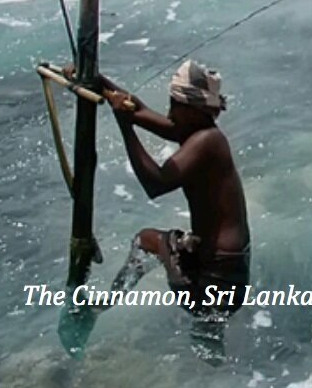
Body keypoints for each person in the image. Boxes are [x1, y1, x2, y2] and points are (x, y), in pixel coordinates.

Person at [96, 61, 251, 320]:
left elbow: (155, 183)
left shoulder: (207, 142)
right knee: (209, 323)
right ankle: (211, 338)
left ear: (192, 110)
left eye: (173, 106)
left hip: (216, 278)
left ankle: (103, 306)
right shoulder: (200, 133)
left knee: (145, 240)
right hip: (229, 276)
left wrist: (125, 127)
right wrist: (98, 82)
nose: (169, 114)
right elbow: (139, 110)